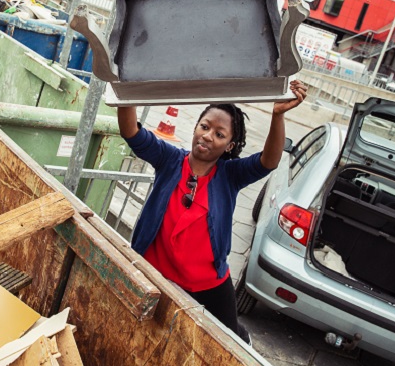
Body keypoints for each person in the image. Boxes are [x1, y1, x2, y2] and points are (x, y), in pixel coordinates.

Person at [117, 81, 308, 343]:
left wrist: (278, 115)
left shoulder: (231, 175)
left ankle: (243, 336)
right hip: (154, 272)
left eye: (219, 134)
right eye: (204, 126)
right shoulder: (169, 159)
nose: (207, 136)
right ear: (196, 126)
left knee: (230, 342)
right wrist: (126, 89)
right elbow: (131, 132)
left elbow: (269, 161)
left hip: (206, 282)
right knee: (148, 335)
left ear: (229, 145)